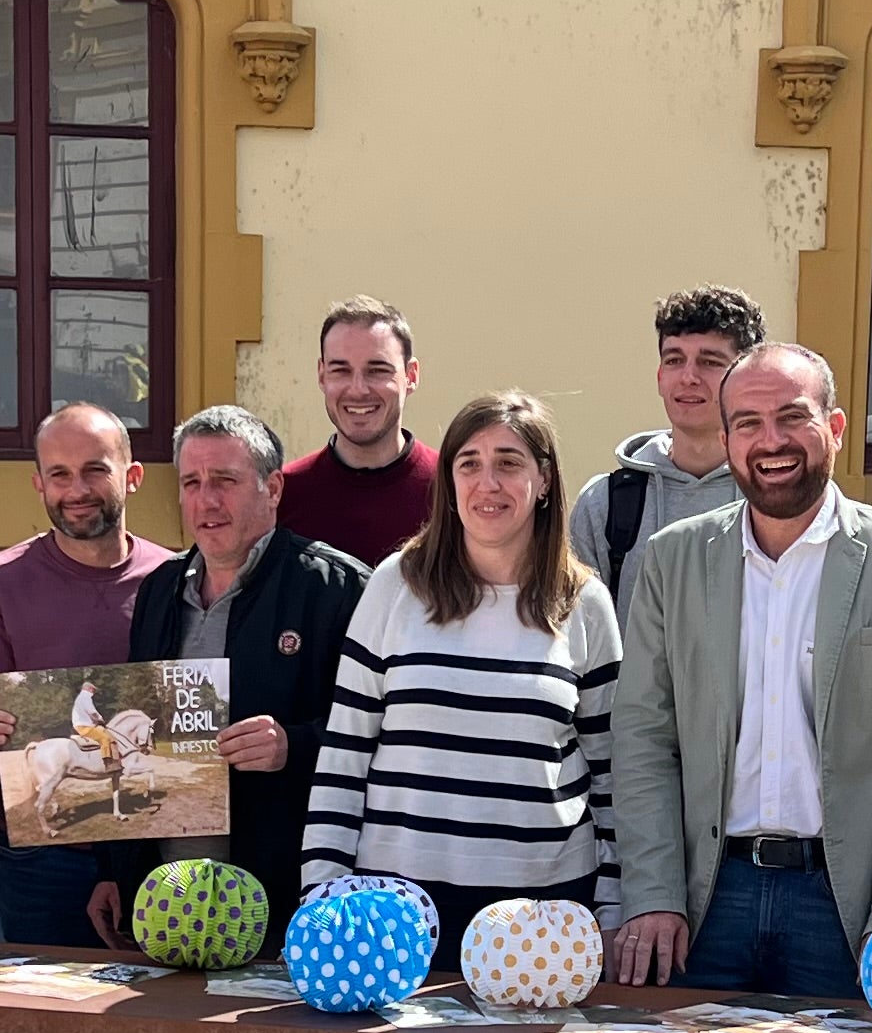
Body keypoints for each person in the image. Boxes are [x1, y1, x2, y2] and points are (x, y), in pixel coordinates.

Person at [608, 342, 872, 996]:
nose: (770, 440)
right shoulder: (673, 561)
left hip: (846, 905)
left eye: (791, 416)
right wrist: (654, 891)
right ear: (725, 439)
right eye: (747, 422)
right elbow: (642, 741)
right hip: (704, 899)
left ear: (833, 428)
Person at [300, 389, 618, 974]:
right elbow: (345, 749)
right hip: (391, 908)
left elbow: (609, 771)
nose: (487, 482)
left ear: (543, 480)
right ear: (448, 481)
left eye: (509, 463)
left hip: (543, 910)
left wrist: (616, 903)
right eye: (468, 463)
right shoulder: (397, 585)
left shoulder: (586, 603)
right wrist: (321, 887)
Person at [90, 404, 367, 952]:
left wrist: (295, 743)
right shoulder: (158, 590)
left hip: (283, 896)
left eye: (225, 481)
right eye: (191, 482)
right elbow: (131, 740)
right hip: (166, 898)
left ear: (273, 488)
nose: (206, 500)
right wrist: (116, 869)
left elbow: (375, 737)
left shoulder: (336, 588)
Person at [0, 404, 174, 946]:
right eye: (60, 474)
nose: (78, 489)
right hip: (38, 861)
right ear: (39, 484)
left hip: (153, 853)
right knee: (37, 1019)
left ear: (133, 476)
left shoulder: (173, 578)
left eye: (96, 469)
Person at [568, 286, 756, 608]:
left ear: (746, 378)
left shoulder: (775, 497)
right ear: (659, 377)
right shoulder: (605, 506)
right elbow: (582, 639)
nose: (688, 377)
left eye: (709, 362)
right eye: (674, 360)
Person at [275, 297, 438, 565]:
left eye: (377, 370)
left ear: (411, 376)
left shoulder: (453, 490)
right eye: (341, 370)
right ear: (321, 375)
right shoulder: (283, 495)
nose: (358, 389)